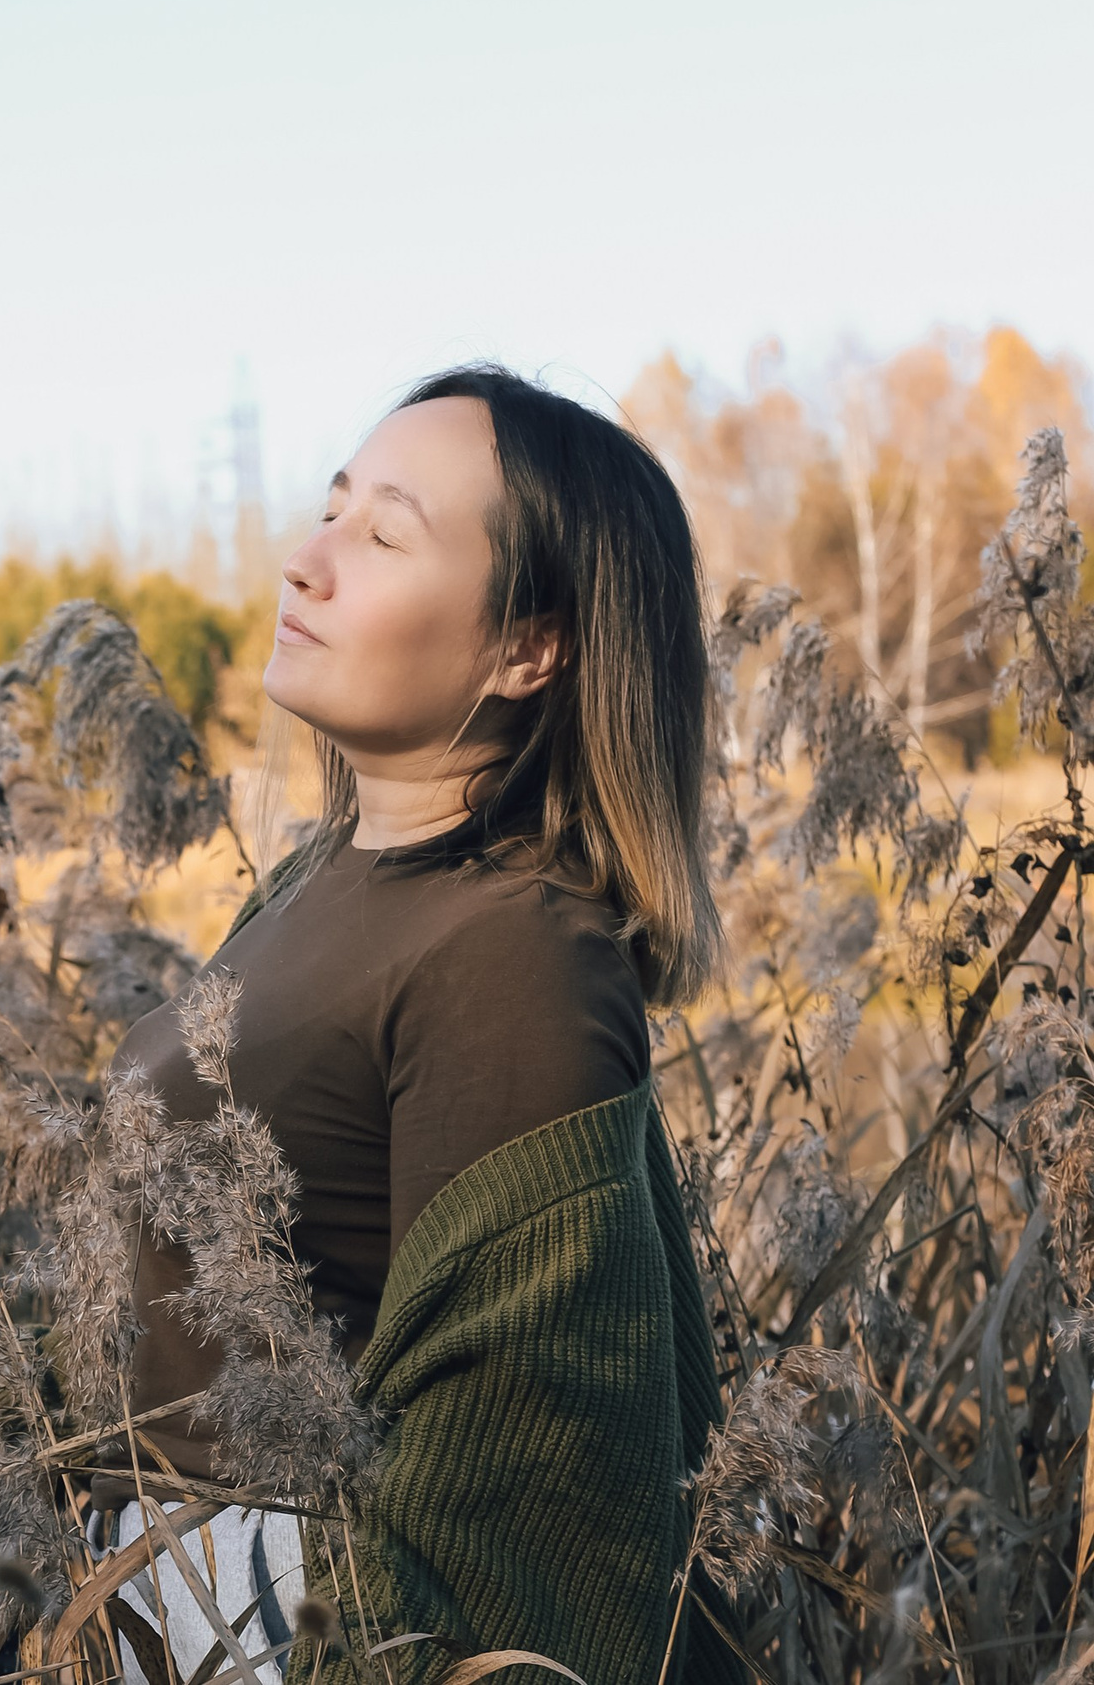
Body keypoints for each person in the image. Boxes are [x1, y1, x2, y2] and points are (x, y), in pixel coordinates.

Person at [90, 365, 742, 1685]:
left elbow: (524, 1486)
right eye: (332, 511)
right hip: (157, 1603)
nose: (307, 562)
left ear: (528, 648)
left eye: (383, 534)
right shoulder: (313, 887)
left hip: (296, 1634)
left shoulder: (517, 954)